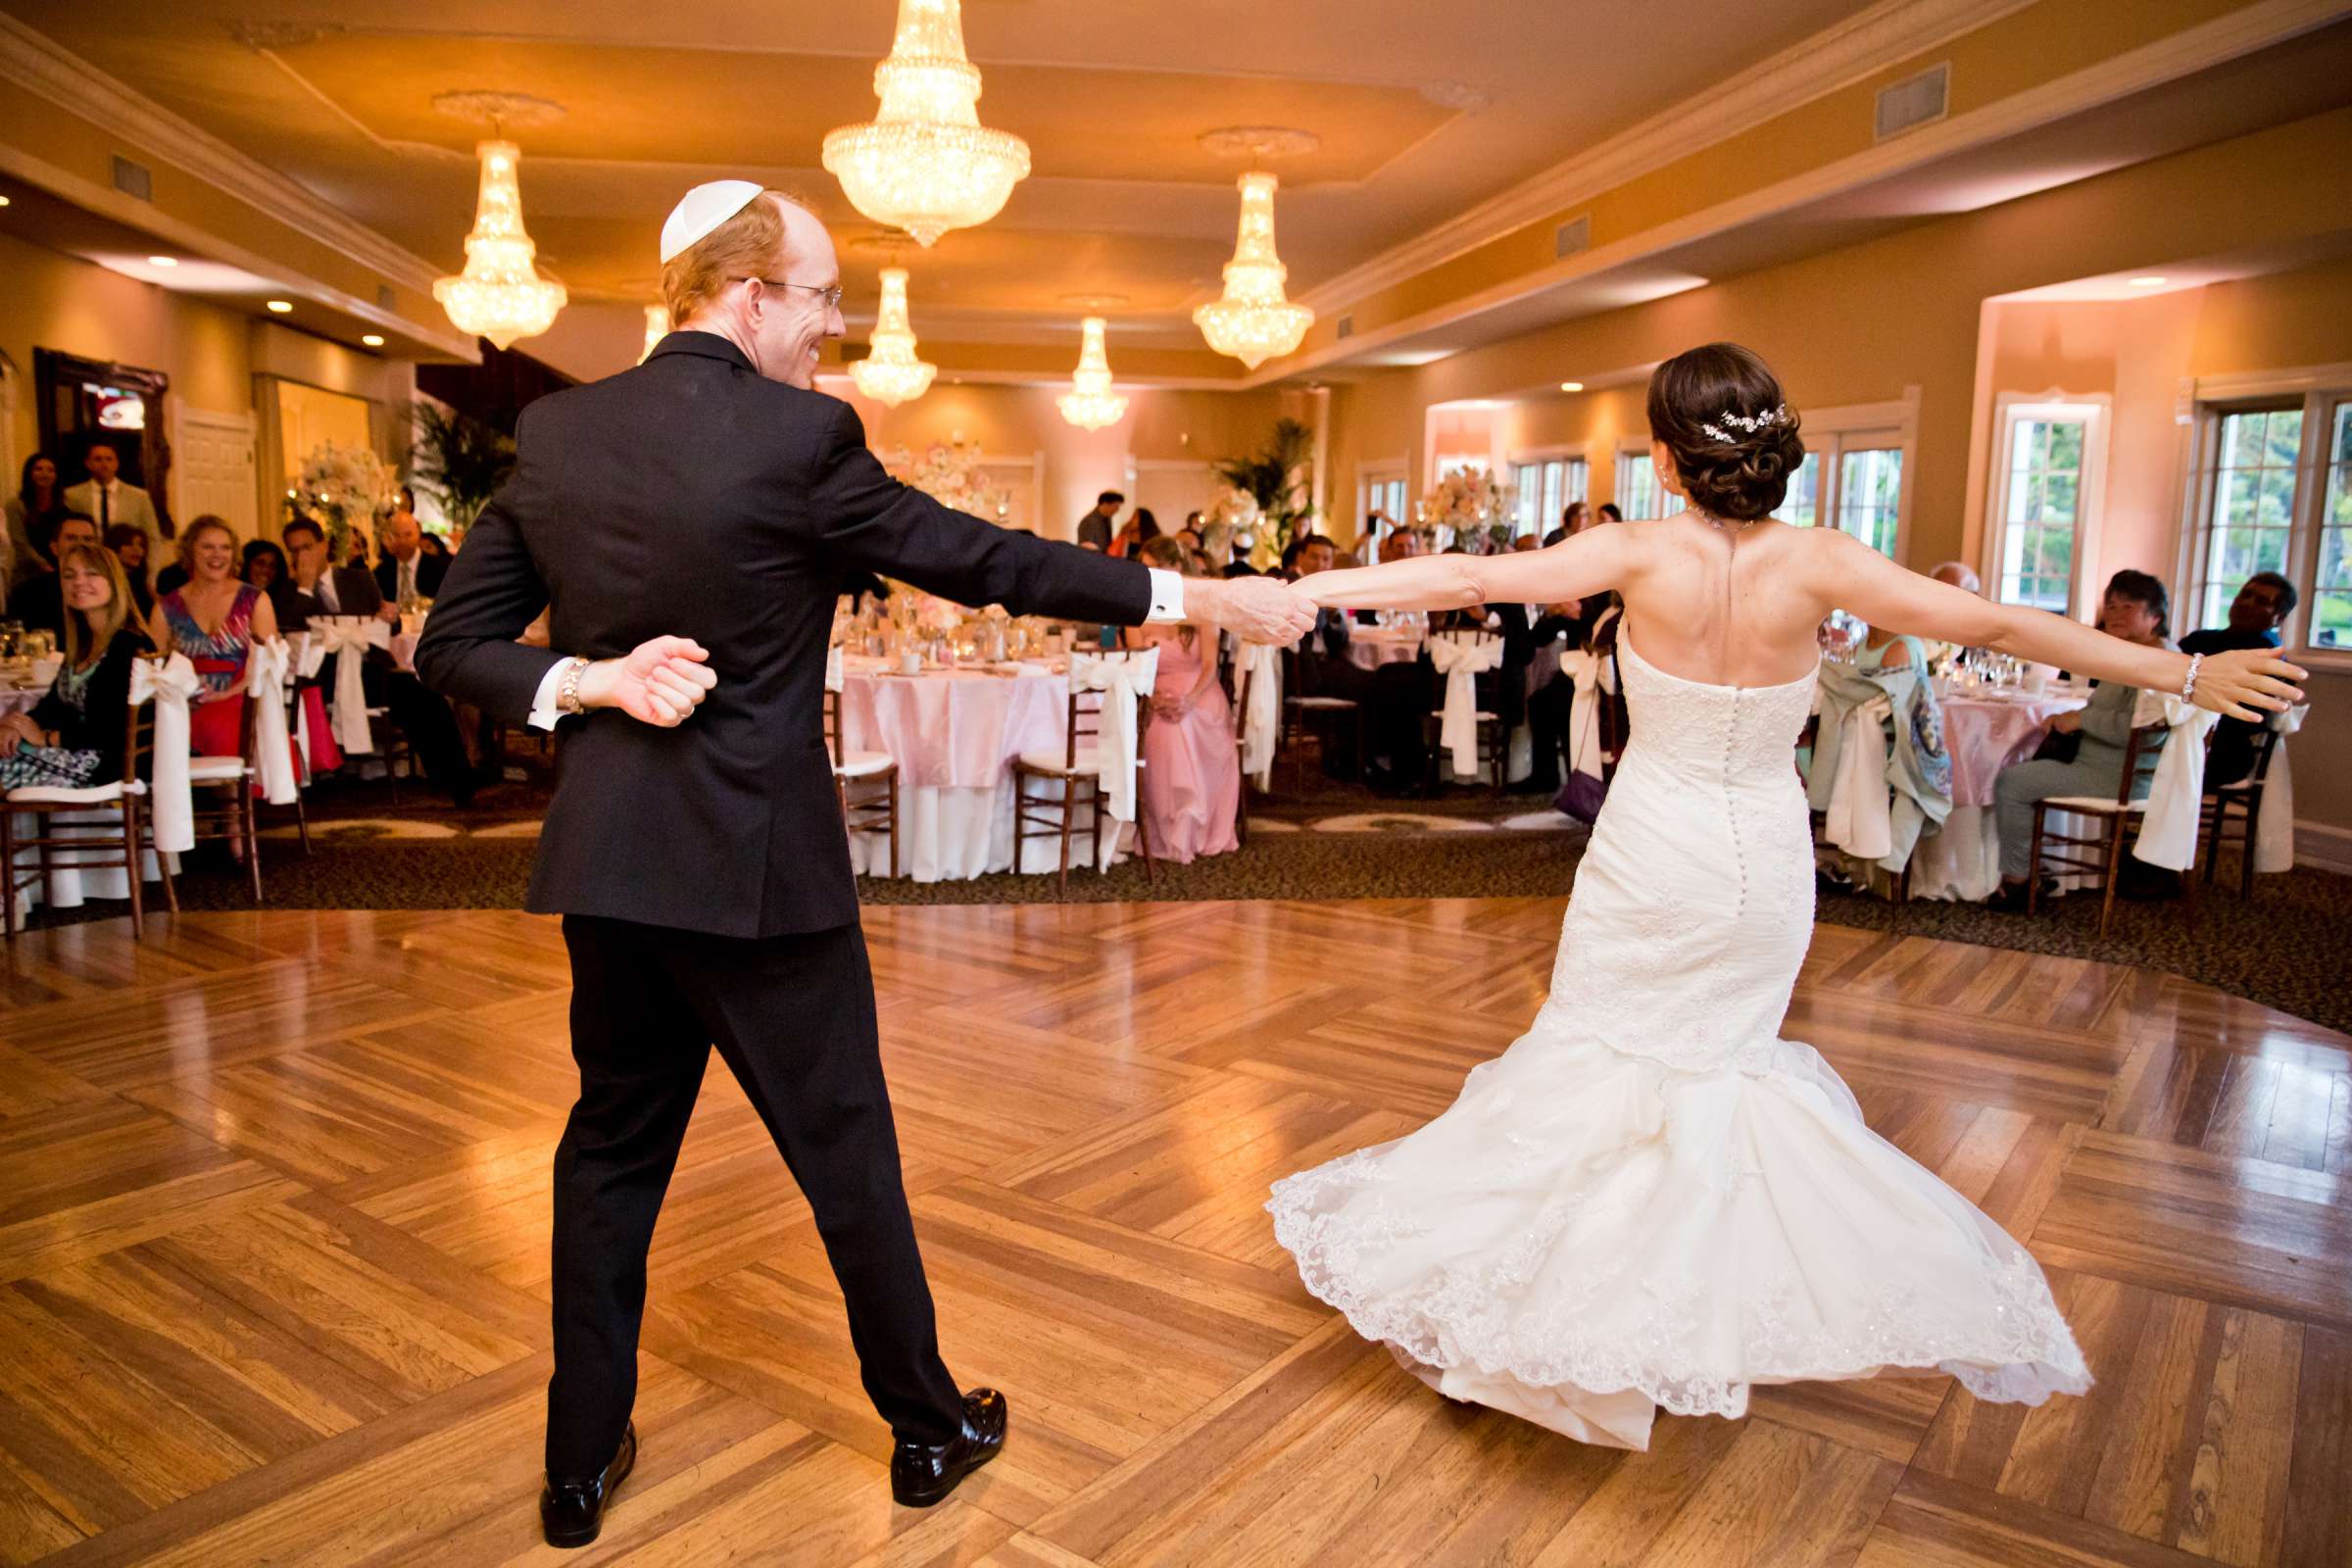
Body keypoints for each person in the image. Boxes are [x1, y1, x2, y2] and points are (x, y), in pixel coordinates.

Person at [413, 178, 1314, 1546]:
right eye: (825, 297)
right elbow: (981, 560)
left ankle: (577, 1464)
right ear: (751, 292)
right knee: (847, 1160)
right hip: (760, 874)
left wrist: (589, 680)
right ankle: (929, 1426)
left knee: (607, 1158)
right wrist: (1184, 593)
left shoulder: (558, 431)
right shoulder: (800, 437)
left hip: (610, 869)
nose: (835, 329)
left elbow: (452, 646)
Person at [1265, 340, 2301, 1452]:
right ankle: (1648, 1324)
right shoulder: (1821, 562)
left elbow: (1468, 579)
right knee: (1711, 1081)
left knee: (1595, 1062)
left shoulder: (1633, 551)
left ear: (1666, 461)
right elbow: (1996, 624)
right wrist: (2182, 672)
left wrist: (1301, 589)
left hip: (1652, 853)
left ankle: (1583, 1324)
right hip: (1763, 866)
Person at [1987, 569, 2176, 911]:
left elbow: (2137, 727)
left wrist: (2079, 719)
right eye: (2112, 607)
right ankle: (2036, 869)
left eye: (2127, 607)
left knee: (2012, 781)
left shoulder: (2157, 665)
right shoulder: (2138, 656)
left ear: (2155, 617)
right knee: (2027, 767)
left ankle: (2018, 881)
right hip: (2109, 767)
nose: (2115, 615)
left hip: (2121, 776)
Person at [280, 516, 476, 805]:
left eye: (307, 547)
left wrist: (389, 617)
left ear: (323, 546)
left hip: (369, 668)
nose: (302, 556)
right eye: (294, 551)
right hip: (321, 677)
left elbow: (390, 629)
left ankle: (456, 780)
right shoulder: (288, 592)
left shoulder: (356, 578)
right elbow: (290, 628)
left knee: (424, 696)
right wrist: (306, 589)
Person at [0, 544, 153, 791]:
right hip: (74, 756)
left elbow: (112, 728)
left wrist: (45, 738)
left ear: (114, 582)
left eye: (92, 573)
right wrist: (14, 726)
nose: (79, 582)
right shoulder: (83, 644)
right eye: (69, 575)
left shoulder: (129, 645)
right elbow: (51, 708)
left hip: (104, 764)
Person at [1135, 536, 1240, 863]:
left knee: (1180, 725)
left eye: (1154, 567)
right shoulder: (1137, 606)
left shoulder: (1200, 606)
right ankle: (1167, 829)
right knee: (1164, 728)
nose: (1146, 574)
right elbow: (1136, 662)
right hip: (1155, 694)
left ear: (1175, 568)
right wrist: (1151, 698)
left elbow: (1210, 666)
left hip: (1201, 693)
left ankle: (1191, 827)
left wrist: (1189, 700)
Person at [156, 516, 279, 760]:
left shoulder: (255, 599)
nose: (217, 555)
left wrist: (229, 693)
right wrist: (181, 696)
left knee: (219, 723)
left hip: (243, 695)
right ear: (190, 550)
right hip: (186, 700)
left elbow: (270, 664)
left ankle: (230, 791)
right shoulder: (167, 607)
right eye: (207, 547)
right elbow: (155, 669)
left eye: (225, 547)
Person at [2180, 570, 2294, 786]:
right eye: (2245, 595)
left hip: (2221, 751)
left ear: (2278, 617)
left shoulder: (2268, 654)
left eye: (2261, 601)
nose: (2246, 603)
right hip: (2184, 737)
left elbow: (2246, 719)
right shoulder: (2200, 639)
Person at [63, 437, 164, 574]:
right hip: (88, 565)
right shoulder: (72, 495)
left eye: (109, 459)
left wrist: (152, 572)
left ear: (117, 464)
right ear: (88, 463)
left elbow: (152, 536)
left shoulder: (139, 496)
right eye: (98, 459)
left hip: (128, 569)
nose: (104, 464)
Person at [5, 514, 100, 637]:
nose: (80, 544)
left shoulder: (109, 590)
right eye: (71, 538)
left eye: (88, 539)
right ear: (54, 547)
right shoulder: (28, 593)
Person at [6, 452, 68, 595]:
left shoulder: (68, 504)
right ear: (29, 473)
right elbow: (19, 542)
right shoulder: (16, 506)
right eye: (38, 469)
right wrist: (43, 565)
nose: (44, 474)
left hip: (62, 570)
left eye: (50, 470)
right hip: (28, 573)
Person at [374, 510, 449, 613]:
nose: (403, 541)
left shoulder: (437, 568)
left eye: (408, 535)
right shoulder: (382, 571)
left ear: (418, 533)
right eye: (396, 535)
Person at [102, 523, 158, 624]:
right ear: (114, 548)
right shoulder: (105, 582)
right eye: (129, 544)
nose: (137, 549)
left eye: (141, 545)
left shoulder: (141, 583)